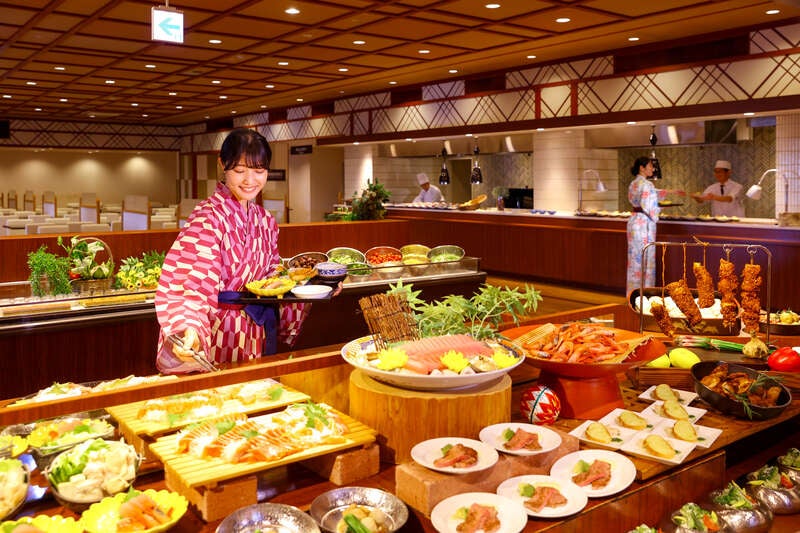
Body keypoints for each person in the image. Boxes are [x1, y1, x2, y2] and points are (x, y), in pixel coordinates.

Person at [155, 128, 308, 373]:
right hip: (219, 331)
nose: (250, 180)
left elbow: (272, 277)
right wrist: (189, 327)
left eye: (259, 171)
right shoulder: (207, 218)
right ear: (222, 165)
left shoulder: (265, 219)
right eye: (239, 171)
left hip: (257, 330)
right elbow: (189, 283)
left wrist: (312, 282)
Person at [626, 156, 686, 295]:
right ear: (642, 168)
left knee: (635, 259)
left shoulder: (634, 183)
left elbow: (652, 194)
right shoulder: (647, 185)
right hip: (644, 224)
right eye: (650, 166)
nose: (653, 169)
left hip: (634, 221)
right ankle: (645, 291)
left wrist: (671, 192)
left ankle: (633, 292)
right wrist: (658, 211)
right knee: (645, 256)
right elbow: (650, 206)